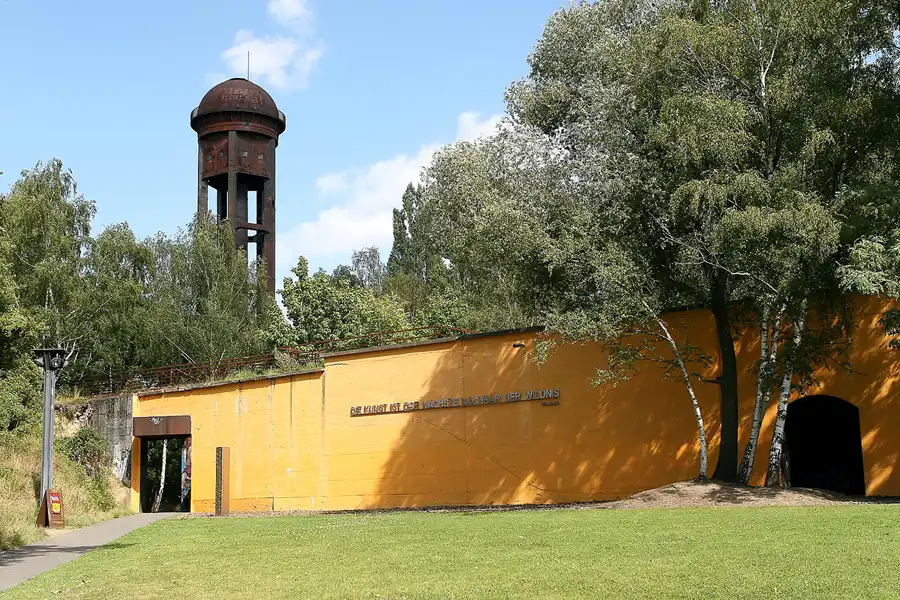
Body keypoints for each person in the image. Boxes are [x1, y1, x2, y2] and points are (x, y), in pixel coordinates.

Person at [179, 437, 192, 511]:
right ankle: (184, 507)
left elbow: (187, 462)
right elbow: (189, 461)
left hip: (186, 472)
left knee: (184, 491)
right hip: (188, 471)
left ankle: (184, 507)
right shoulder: (189, 449)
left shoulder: (186, 450)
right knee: (186, 490)